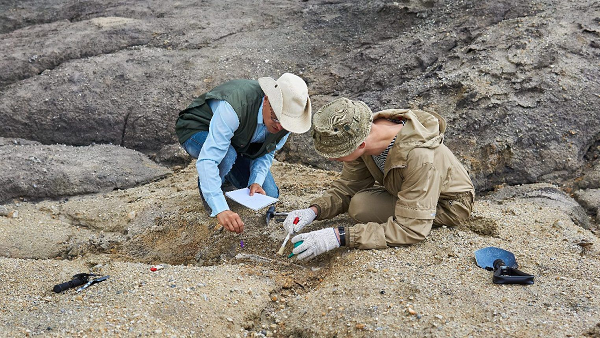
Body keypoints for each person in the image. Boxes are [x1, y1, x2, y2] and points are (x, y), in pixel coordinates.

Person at [284, 97, 475, 260]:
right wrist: (313, 211)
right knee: (360, 203)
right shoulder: (360, 130)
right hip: (401, 189)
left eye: (337, 154)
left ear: (360, 145)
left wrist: (340, 236)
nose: (334, 159)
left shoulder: (420, 157)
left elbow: (411, 229)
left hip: (448, 204)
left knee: (361, 209)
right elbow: (348, 186)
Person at [175, 73, 311, 234]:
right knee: (226, 155)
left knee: (270, 194)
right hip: (197, 129)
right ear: (267, 100)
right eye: (276, 119)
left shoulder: (286, 123)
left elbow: (266, 151)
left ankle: (224, 177)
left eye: (286, 123)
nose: (280, 127)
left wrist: (256, 181)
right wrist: (220, 209)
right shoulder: (235, 106)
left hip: (238, 141)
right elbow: (208, 159)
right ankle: (214, 185)